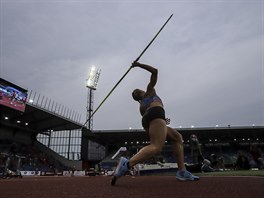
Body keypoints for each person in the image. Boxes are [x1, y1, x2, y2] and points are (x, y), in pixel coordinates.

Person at [111, 62, 199, 185]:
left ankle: (182, 171)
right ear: (140, 92)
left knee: (177, 137)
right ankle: (127, 164)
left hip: (150, 119)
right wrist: (138, 64)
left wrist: (161, 121)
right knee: (156, 146)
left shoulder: (141, 107)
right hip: (156, 115)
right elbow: (155, 71)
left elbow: (149, 121)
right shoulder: (149, 91)